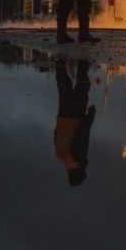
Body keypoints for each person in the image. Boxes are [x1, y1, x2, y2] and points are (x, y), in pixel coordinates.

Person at [54, 58, 96, 186]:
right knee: (64, 87)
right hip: (63, 116)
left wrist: (90, 116)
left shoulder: (79, 157)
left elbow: (82, 134)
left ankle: (83, 60)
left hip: (76, 117)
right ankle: (60, 61)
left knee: (82, 87)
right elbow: (55, 134)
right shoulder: (60, 155)